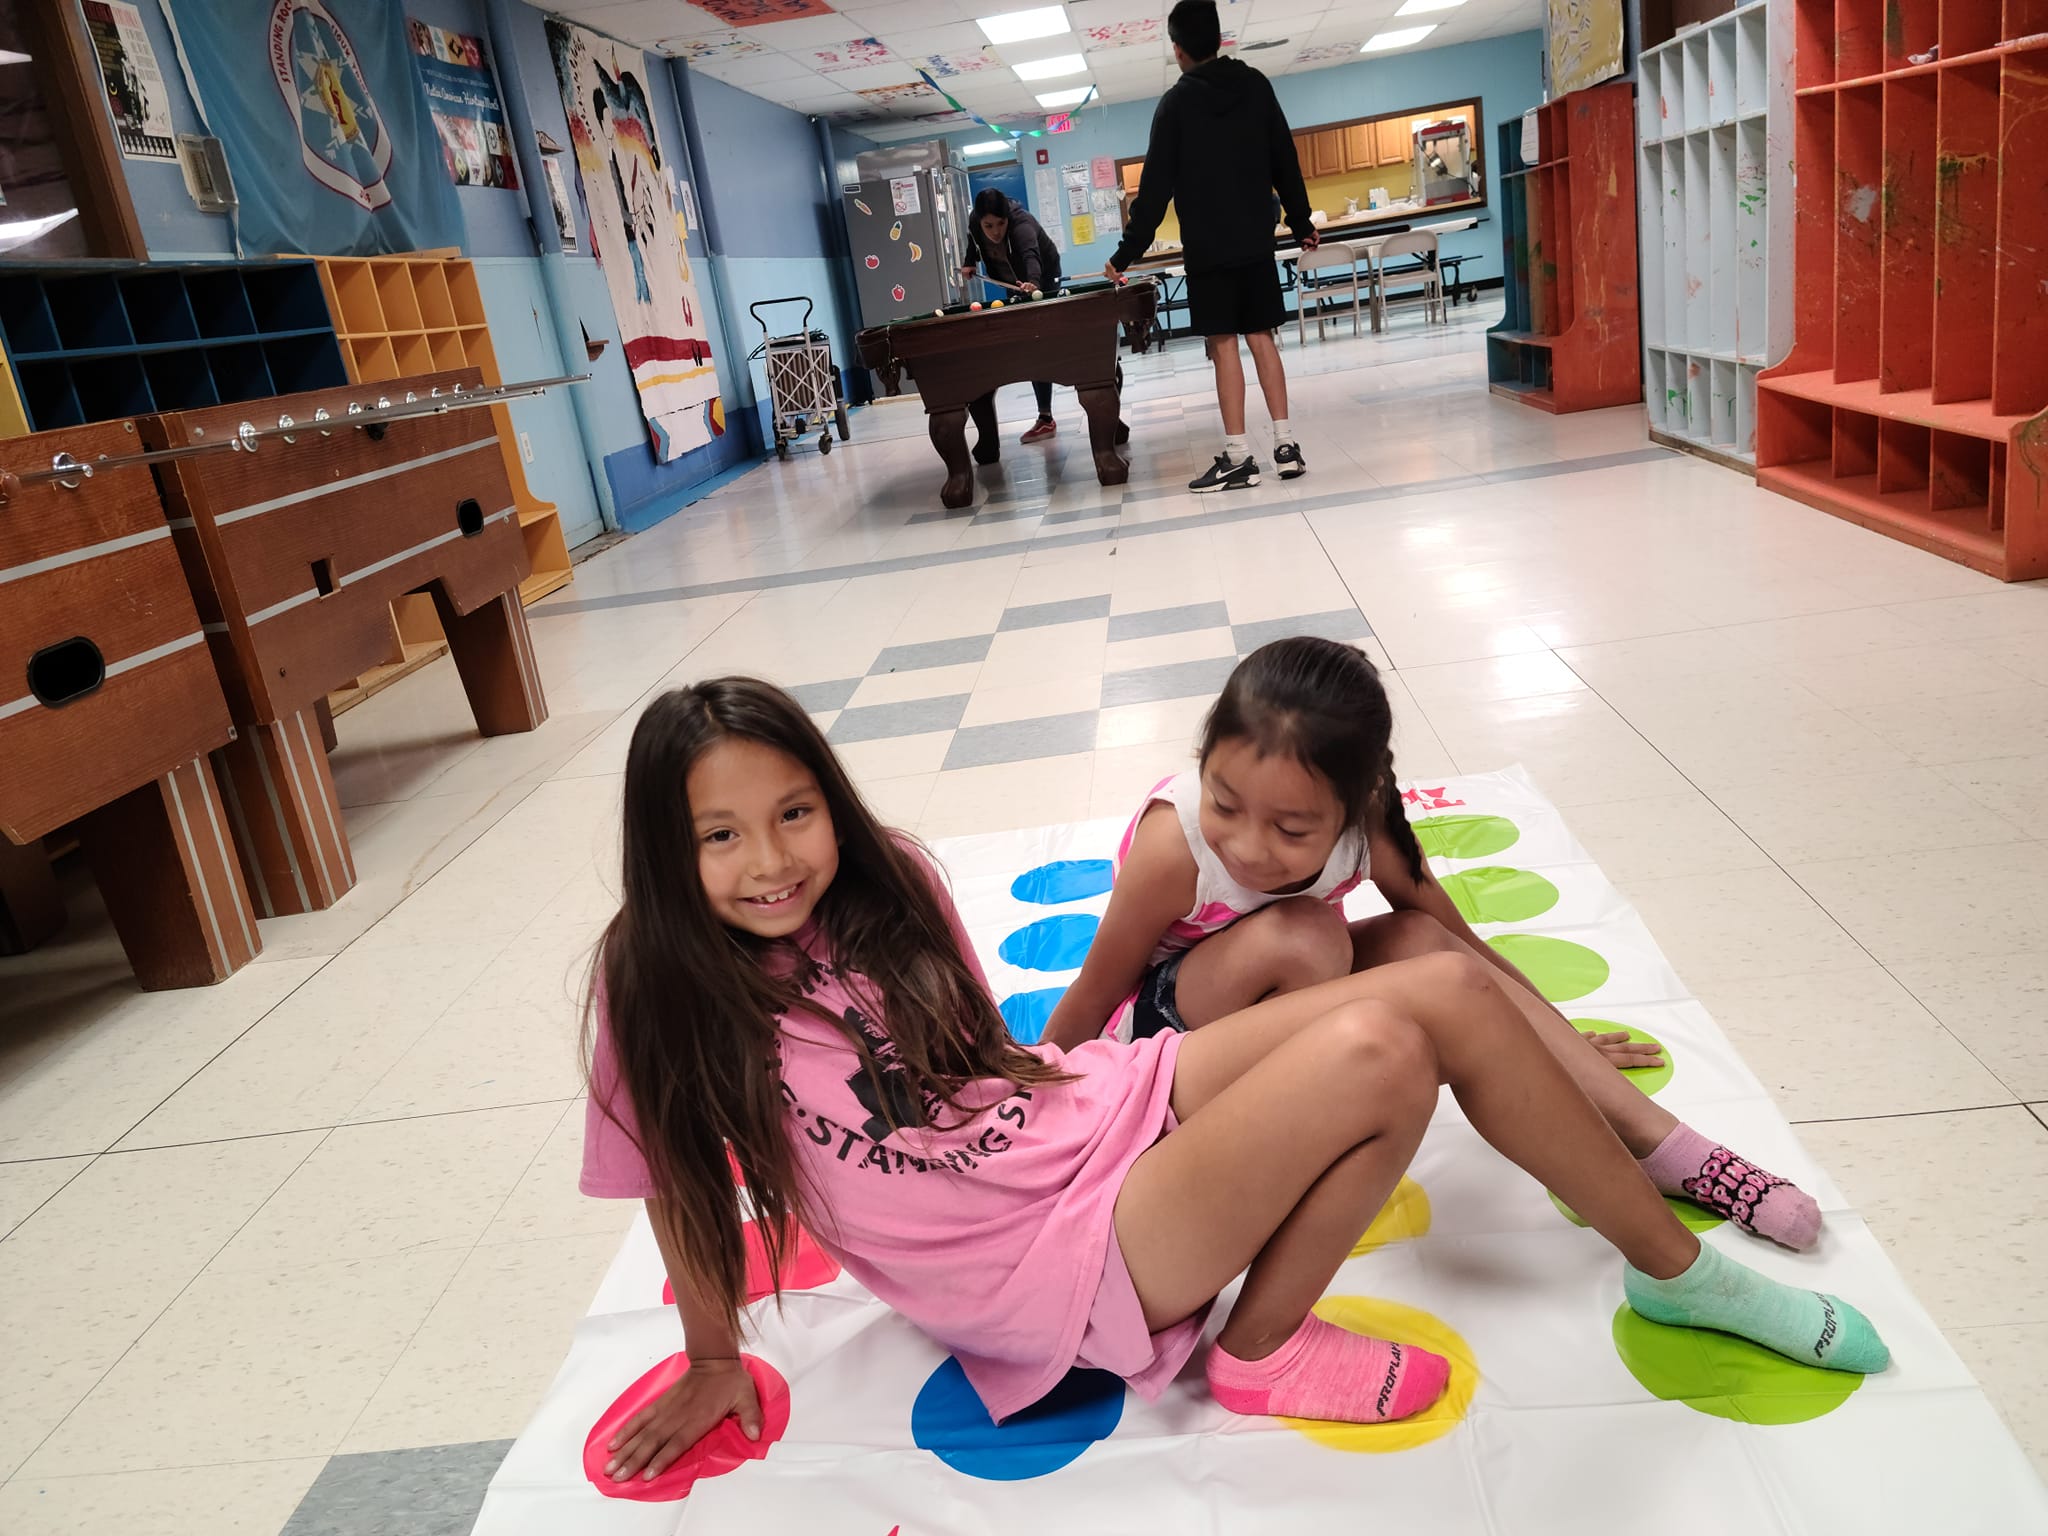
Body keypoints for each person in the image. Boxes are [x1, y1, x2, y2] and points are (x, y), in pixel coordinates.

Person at [580, 677, 1887, 1484]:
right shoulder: (651, 988)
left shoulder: (892, 877)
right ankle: (1275, 1345)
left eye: (794, 812)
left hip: (1073, 1120)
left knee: (1438, 987)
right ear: (664, 846)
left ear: (831, 802)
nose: (770, 860)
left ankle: (1671, 1244)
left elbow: (974, 1054)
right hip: (1027, 1260)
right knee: (1383, 1044)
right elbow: (674, 1191)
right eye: (718, 834)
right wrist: (708, 1355)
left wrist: (1073, 1079)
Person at [1039, 637, 1828, 1252]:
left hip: (1285, 1007)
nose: (1248, 846)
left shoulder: (1367, 829)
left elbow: (1457, 944)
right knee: (1305, 935)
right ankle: (1296, 1133)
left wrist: (1546, 1034)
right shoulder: (1176, 846)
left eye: (1291, 829)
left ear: (1356, 805)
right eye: (1225, 802)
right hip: (1167, 1046)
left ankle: (1661, 1143)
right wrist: (1032, 1107)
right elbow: (1099, 987)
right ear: (1202, 765)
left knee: (1420, 940)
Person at [1106, 0, 1313, 491]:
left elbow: (1153, 191)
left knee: (1223, 346)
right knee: (1261, 335)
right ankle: (1286, 446)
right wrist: (1301, 220)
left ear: (1177, 50)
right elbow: (1284, 155)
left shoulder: (1174, 106)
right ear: (1221, 41)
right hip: (1255, 242)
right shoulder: (1256, 85)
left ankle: (1240, 456)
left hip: (1209, 251)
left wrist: (1124, 254)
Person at [960, 188, 1063, 446]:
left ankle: (1045, 417)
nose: (995, 231)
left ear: (1008, 218)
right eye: (989, 225)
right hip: (1011, 281)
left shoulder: (1022, 225)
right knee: (1029, 345)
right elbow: (972, 238)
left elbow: (1031, 256)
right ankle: (1045, 417)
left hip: (1043, 278)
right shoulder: (975, 221)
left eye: (1000, 224)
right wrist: (969, 261)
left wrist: (1034, 283)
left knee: (1036, 343)